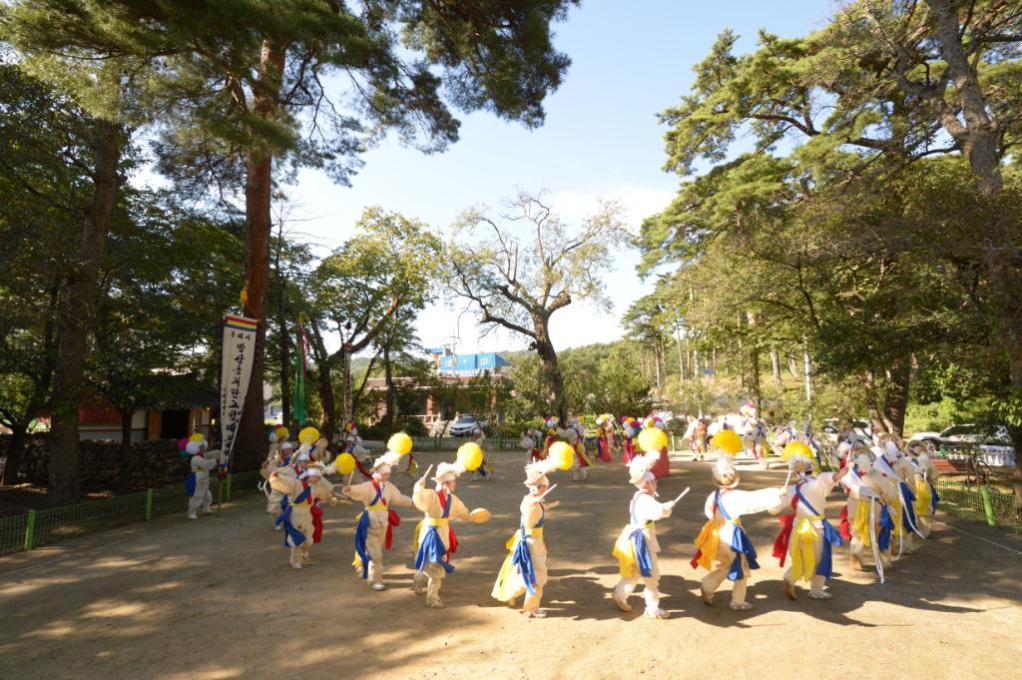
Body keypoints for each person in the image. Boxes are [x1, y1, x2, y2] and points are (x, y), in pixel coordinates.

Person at [691, 448, 784, 610]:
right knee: (741, 567)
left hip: (714, 535)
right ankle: (738, 601)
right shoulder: (737, 496)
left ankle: (707, 585)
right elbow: (755, 501)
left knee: (725, 564)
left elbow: (708, 513)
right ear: (734, 478)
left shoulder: (713, 496)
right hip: (731, 537)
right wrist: (777, 494)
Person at [771, 443, 849, 600]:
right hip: (816, 528)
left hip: (797, 528)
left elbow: (774, 510)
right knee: (819, 558)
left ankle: (792, 576)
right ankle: (814, 588)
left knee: (800, 554)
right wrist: (847, 466)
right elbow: (835, 476)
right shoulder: (817, 483)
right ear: (811, 469)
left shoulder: (791, 489)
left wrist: (780, 495)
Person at [411, 461, 490, 608]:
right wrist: (418, 488)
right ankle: (432, 598)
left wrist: (471, 517)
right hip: (430, 534)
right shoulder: (431, 495)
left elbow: (462, 511)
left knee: (430, 562)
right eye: (453, 481)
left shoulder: (451, 499)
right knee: (436, 568)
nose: (455, 484)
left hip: (441, 534)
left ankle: (418, 580)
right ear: (447, 483)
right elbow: (419, 500)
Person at [611, 450, 677, 619]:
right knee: (651, 575)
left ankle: (620, 594)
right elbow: (656, 512)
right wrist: (665, 507)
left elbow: (654, 511)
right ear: (647, 482)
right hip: (643, 540)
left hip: (635, 536)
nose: (655, 482)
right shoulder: (646, 500)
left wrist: (663, 508)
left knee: (634, 572)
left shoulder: (637, 496)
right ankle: (653, 608)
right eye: (653, 480)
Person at [491, 457, 561, 617]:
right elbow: (530, 520)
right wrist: (535, 506)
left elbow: (535, 511)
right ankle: (530, 608)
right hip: (532, 542)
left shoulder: (531, 500)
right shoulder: (531, 503)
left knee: (526, 572)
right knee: (537, 575)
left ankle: (510, 593)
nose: (545, 489)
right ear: (541, 487)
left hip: (531, 540)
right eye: (544, 487)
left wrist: (547, 505)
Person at [343, 451, 414, 591]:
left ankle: (363, 566)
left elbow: (399, 498)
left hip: (383, 523)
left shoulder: (389, 487)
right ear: (377, 474)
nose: (387, 476)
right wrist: (349, 489)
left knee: (373, 550)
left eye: (388, 474)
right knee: (376, 555)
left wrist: (413, 502)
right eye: (385, 474)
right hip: (370, 521)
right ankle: (376, 580)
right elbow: (358, 490)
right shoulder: (368, 486)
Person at [268, 463, 341, 570]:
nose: (316, 479)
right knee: (296, 538)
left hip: (307, 513)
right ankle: (295, 560)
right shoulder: (297, 484)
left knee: (308, 540)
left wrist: (333, 500)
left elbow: (326, 495)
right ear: (309, 476)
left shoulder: (317, 487)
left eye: (318, 477)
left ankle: (304, 552)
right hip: (296, 513)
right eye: (315, 476)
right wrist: (277, 477)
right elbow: (286, 482)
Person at [186, 438, 221, 520]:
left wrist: (220, 452)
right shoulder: (195, 458)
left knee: (207, 495)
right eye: (201, 446)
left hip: (204, 478)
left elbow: (211, 454)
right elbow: (205, 464)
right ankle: (191, 511)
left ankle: (205, 508)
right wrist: (215, 461)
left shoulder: (203, 455)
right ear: (196, 448)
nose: (203, 447)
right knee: (197, 495)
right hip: (198, 478)